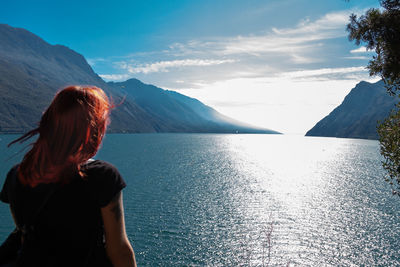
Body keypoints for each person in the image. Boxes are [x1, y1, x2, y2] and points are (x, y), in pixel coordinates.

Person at [0, 86, 137, 267]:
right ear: (93, 129)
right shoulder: (102, 176)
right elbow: (118, 249)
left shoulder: (17, 175)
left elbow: (24, 233)